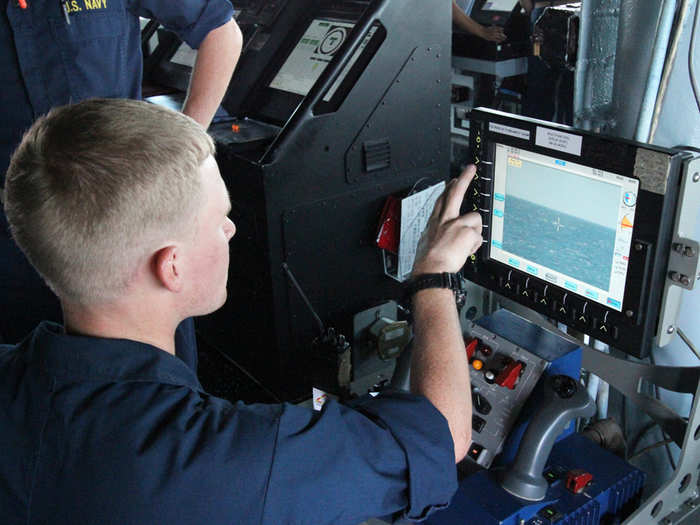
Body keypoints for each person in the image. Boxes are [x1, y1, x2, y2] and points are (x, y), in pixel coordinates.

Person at [0, 98, 482, 524]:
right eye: (219, 220)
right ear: (172, 266)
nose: (231, 231)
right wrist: (434, 274)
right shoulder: (228, 461)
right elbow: (443, 437)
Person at [0, 0, 243, 370]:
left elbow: (221, 31)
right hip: (15, 240)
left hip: (129, 229)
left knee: (157, 387)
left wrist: (182, 156)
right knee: (32, 388)